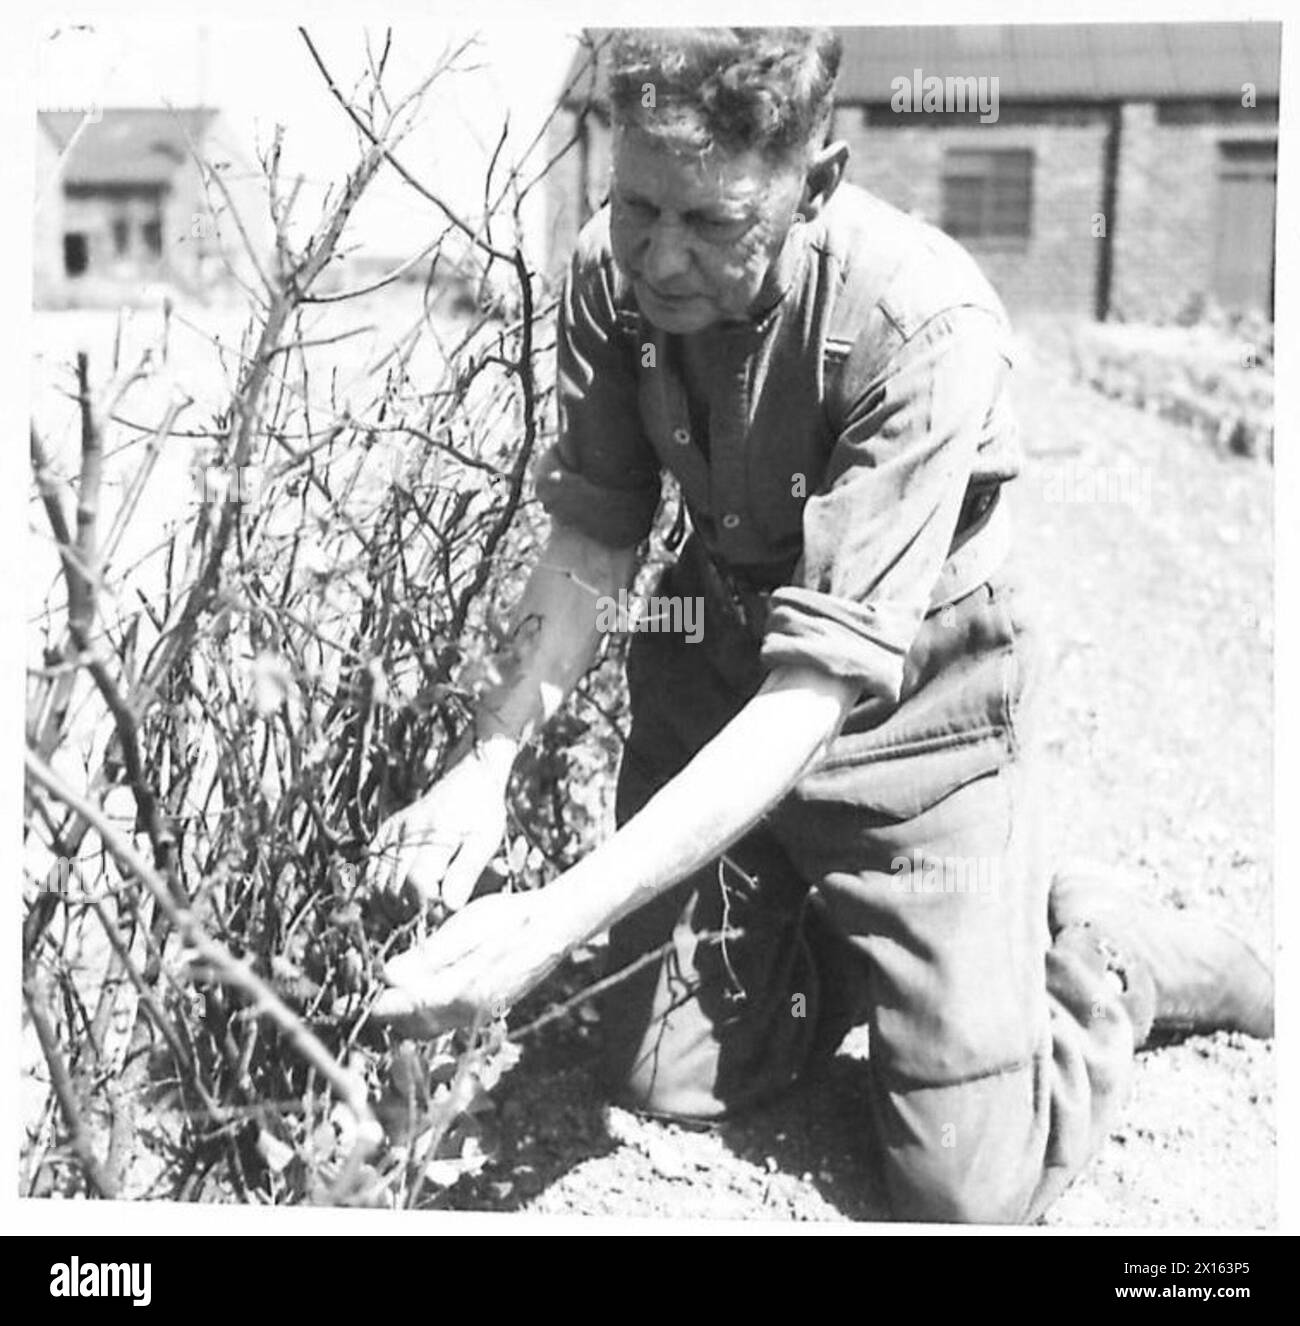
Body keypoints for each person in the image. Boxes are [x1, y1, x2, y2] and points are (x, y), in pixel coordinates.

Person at [363, 27, 1273, 1223]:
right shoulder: (612, 271)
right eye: (638, 205)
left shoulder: (922, 325)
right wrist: (486, 764)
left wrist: (554, 918)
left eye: (714, 223)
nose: (662, 260)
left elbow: (813, 694)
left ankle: (1106, 947)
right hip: (717, 674)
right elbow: (592, 541)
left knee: (962, 1184)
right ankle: (874, 940)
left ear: (815, 185)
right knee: (659, 1077)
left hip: (916, 717)